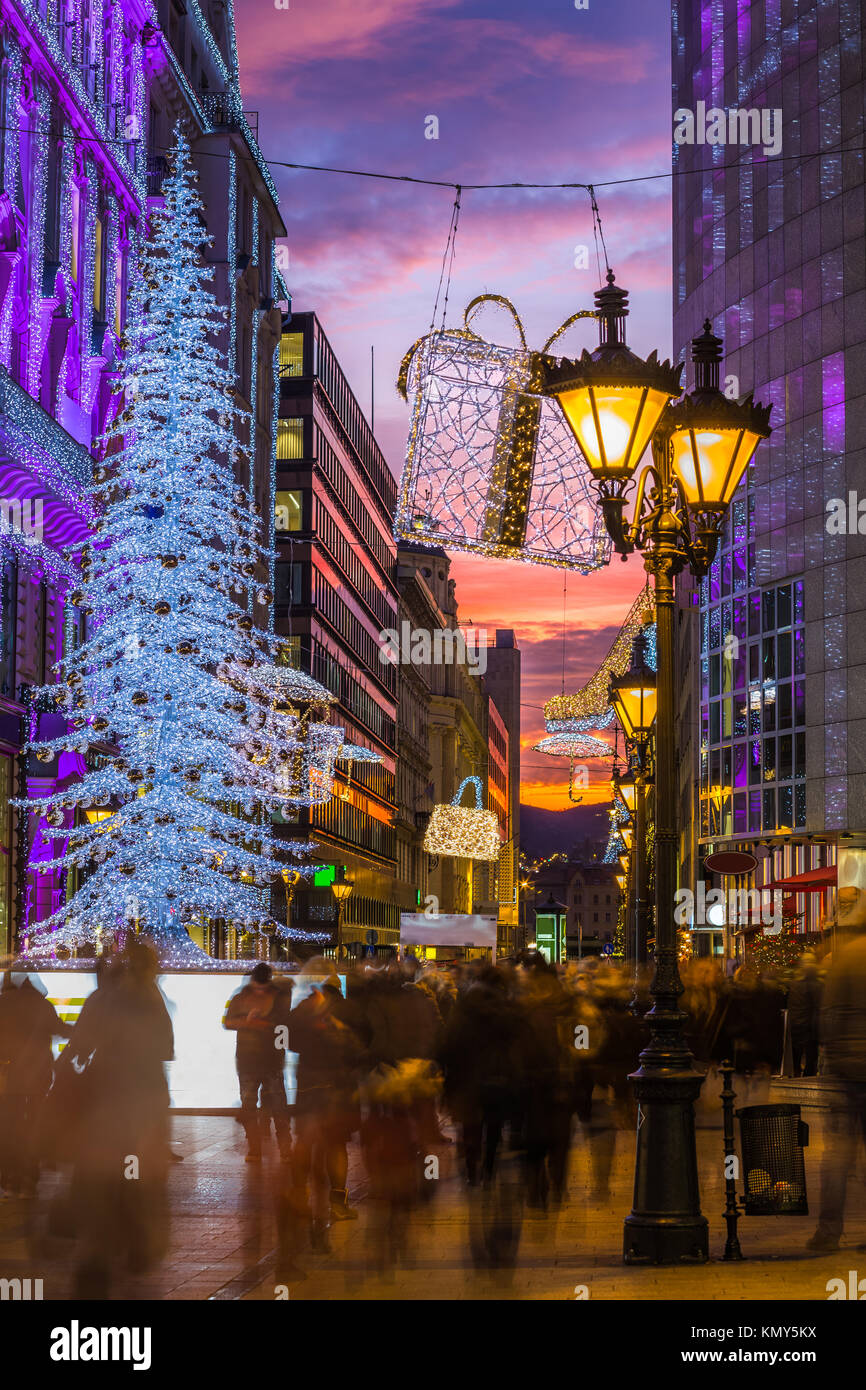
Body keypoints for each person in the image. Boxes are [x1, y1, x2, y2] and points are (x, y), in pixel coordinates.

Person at [67, 940, 175, 1296]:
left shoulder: (103, 1000)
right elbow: (165, 1048)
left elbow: (80, 1045)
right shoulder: (152, 1001)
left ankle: (100, 1248)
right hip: (145, 1098)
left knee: (102, 1170)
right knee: (139, 1173)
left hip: (109, 1098)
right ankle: (136, 1241)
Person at [288, 958, 365, 1252]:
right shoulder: (349, 1010)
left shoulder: (301, 1010)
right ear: (338, 987)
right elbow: (361, 1047)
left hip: (308, 1085)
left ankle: (299, 1197)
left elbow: (289, 1042)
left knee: (305, 1143)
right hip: (340, 1088)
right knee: (336, 1145)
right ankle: (338, 1204)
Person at [807, 926, 866, 1252]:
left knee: (837, 1157)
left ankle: (828, 1233)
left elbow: (828, 1016)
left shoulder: (846, 960)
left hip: (847, 1073)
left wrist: (835, 1056)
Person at [0, 973, 71, 1197]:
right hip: (37, 1077)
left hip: (9, 1078)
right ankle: (29, 1179)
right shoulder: (42, 1005)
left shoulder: (3, 1004)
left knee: (9, 1127)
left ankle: (10, 1179)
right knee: (32, 1125)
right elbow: (60, 1029)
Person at [223, 962, 293, 1163]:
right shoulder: (241, 997)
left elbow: (283, 1024)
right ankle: (258, 1148)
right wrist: (249, 1022)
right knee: (253, 1106)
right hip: (252, 1060)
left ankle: (280, 1149)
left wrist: (255, 1023)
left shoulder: (276, 997)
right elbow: (227, 1022)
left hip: (263, 1060)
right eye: (258, 987)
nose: (260, 991)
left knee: (275, 1106)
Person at [787, 952, 822, 1077]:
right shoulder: (817, 984)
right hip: (810, 1027)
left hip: (797, 1024)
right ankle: (807, 1077)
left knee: (797, 1056)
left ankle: (796, 1074)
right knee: (810, 1058)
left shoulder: (794, 983)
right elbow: (819, 1006)